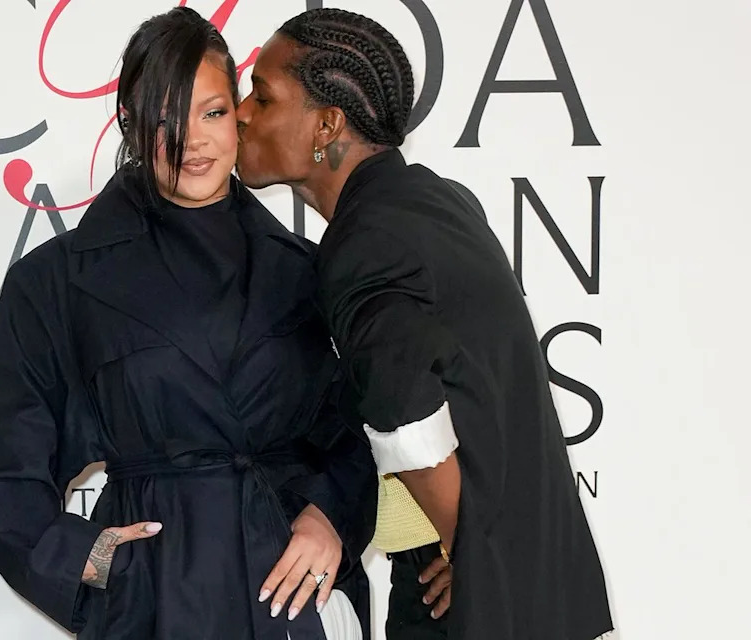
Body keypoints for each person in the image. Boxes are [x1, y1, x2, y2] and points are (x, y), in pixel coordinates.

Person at [0, 7, 375, 640]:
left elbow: (356, 431)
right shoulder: (58, 281)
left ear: (238, 114)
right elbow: (4, 466)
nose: (192, 143)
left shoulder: (305, 269)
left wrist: (330, 519)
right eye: (164, 120)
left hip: (293, 598)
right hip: (159, 601)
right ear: (128, 122)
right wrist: (95, 561)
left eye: (210, 112)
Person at [235, 8, 614, 640]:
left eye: (264, 97)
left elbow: (408, 420)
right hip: (538, 570)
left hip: (478, 597)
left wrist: (470, 550)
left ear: (328, 123)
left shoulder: (364, 243)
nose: (244, 113)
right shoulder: (435, 200)